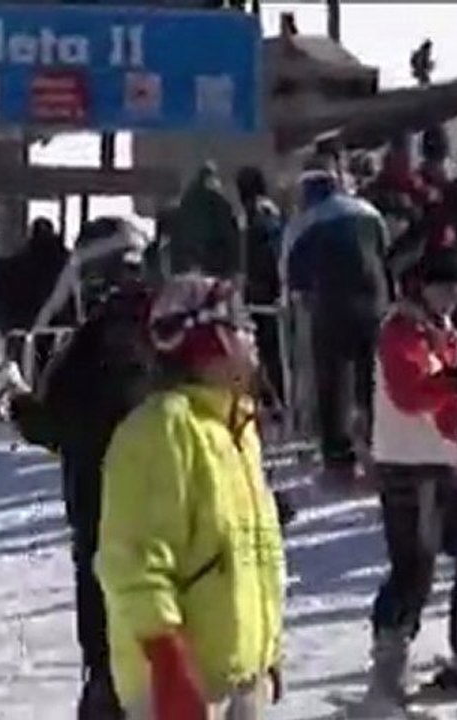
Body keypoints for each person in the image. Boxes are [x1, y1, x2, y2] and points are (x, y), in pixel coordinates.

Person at [96, 273, 285, 719]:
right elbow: (133, 561)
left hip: (239, 675)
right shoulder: (163, 429)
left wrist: (268, 646)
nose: (254, 337)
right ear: (211, 341)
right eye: (241, 325)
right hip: (182, 687)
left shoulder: (237, 428)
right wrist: (168, 661)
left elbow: (254, 553)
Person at [9, 243, 155, 720]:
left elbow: (55, 425)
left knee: (102, 630)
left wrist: (20, 407)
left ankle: (105, 694)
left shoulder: (81, 349)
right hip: (163, 508)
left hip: (97, 505)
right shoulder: (170, 337)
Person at [365, 193, 457, 707]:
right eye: (443, 288)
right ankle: (388, 662)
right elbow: (410, 392)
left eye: (455, 290)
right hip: (405, 462)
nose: (450, 299)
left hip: (445, 461)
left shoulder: (444, 334)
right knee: (414, 566)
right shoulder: (400, 332)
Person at [285, 169, 391, 486]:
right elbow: (384, 252)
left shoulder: (304, 223)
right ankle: (381, 453)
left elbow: (293, 277)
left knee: (333, 385)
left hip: (331, 308)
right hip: (375, 302)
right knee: (374, 383)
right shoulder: (369, 213)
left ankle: (339, 460)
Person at [236, 165, 285, 406]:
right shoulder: (263, 211)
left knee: (269, 348)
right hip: (263, 288)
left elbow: (266, 253)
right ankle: (272, 396)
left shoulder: (260, 212)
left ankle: (275, 397)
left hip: (264, 290)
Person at [169, 162, 242, 281]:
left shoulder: (187, 202)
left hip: (191, 264)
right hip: (214, 264)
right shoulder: (220, 203)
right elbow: (228, 234)